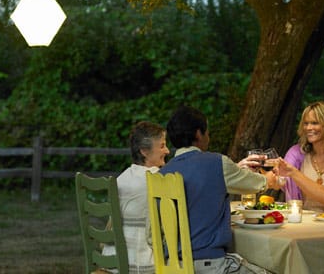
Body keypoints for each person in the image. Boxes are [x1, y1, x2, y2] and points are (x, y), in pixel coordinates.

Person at [160, 105, 279, 274]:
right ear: (198, 134)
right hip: (211, 266)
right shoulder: (216, 162)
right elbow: (255, 183)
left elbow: (153, 234)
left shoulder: (162, 173)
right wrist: (270, 179)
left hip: (172, 266)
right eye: (207, 131)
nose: (208, 136)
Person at [102, 121, 170, 273]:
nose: (167, 150)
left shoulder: (121, 178)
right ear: (144, 151)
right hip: (140, 265)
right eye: (162, 145)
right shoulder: (156, 179)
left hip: (111, 262)